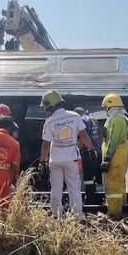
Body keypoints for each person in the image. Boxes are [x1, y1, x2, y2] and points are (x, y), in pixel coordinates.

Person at [39, 90, 97, 219]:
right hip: (71, 158)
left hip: (55, 159)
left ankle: (56, 215)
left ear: (51, 105)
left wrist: (42, 161)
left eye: (46, 106)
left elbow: (46, 144)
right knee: (74, 187)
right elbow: (84, 135)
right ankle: (78, 216)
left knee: (56, 188)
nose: (45, 109)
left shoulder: (49, 122)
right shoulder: (74, 116)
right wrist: (91, 150)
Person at [100, 93, 128, 217]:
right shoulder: (121, 119)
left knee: (113, 183)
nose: (106, 111)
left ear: (111, 107)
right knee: (119, 182)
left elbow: (113, 139)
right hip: (119, 155)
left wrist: (107, 158)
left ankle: (114, 212)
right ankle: (121, 206)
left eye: (106, 108)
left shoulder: (116, 120)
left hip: (115, 156)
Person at [75, 107, 102, 192]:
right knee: (93, 176)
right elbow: (100, 136)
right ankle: (93, 195)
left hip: (88, 152)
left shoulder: (82, 120)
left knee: (87, 177)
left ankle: (90, 198)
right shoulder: (94, 120)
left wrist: (77, 150)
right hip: (96, 151)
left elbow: (83, 137)